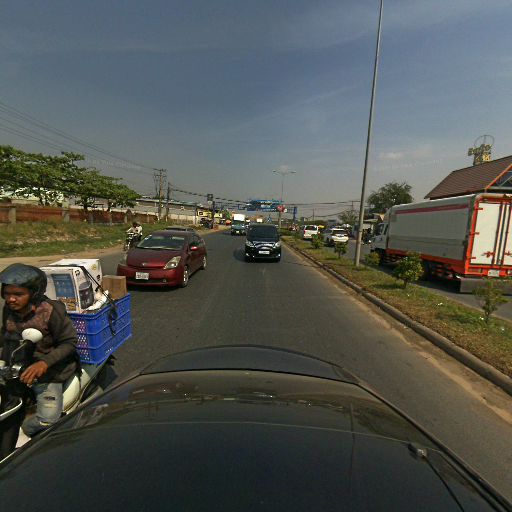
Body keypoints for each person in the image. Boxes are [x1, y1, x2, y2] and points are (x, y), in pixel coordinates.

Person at [0, 264, 79, 457]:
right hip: (17, 365)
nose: (11, 299)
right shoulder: (9, 309)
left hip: (49, 371)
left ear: (34, 293)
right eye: (7, 293)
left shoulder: (51, 311)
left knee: (48, 420)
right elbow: (5, 335)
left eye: (18, 294)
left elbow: (69, 342)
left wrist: (44, 363)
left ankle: (26, 428)